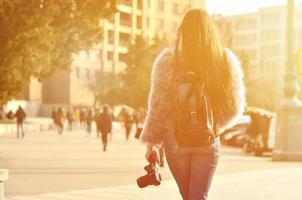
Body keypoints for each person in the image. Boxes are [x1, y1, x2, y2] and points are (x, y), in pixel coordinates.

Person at [140, 9, 246, 200]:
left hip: (175, 141)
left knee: (188, 197)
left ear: (183, 31)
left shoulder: (168, 61)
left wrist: (152, 143)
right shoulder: (223, 60)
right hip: (207, 141)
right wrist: (211, 126)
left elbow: (158, 106)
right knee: (198, 197)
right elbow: (234, 107)